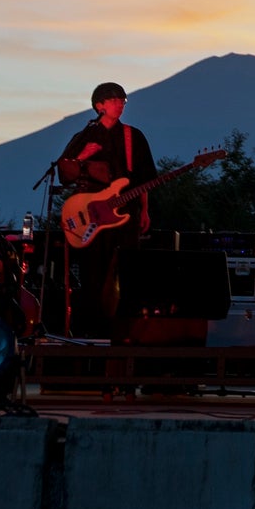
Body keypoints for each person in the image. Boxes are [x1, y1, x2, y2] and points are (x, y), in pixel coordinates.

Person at [57, 82, 156, 337]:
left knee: (126, 272)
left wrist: (144, 210)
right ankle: (90, 331)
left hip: (127, 215)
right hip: (94, 218)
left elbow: (143, 178)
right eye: (114, 100)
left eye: (123, 100)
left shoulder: (134, 137)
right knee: (93, 274)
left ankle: (123, 330)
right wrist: (82, 160)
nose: (120, 104)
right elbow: (64, 172)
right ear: (99, 105)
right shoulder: (85, 137)